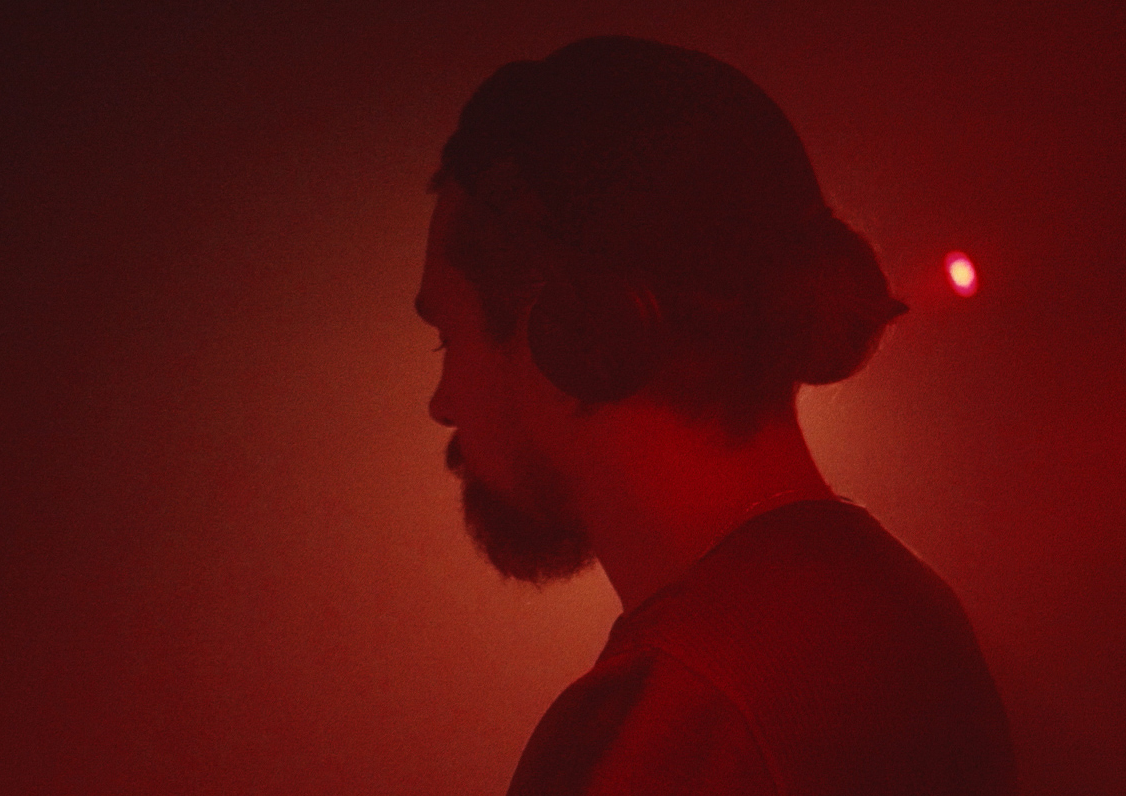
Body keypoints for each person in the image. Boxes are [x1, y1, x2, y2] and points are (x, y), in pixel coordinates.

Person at [415, 36, 1015, 795]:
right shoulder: (910, 611)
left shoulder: (675, 715)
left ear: (577, 330)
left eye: (447, 337)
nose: (440, 404)